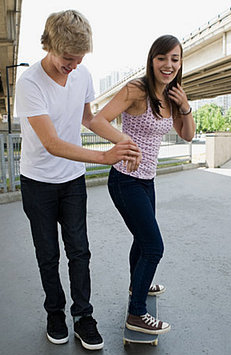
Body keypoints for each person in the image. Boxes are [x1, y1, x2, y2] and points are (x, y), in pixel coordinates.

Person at [15, 10, 141, 350]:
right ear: (49, 46)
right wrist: (104, 157)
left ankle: (84, 316)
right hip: (38, 181)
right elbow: (52, 143)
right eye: (67, 59)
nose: (72, 66)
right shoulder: (29, 83)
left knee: (79, 251)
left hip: (71, 181)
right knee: (47, 254)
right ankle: (54, 312)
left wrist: (123, 142)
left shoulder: (82, 74)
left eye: (79, 59)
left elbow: (89, 119)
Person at [90, 35, 195, 335]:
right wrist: (125, 141)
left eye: (175, 59)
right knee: (153, 246)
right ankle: (137, 314)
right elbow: (98, 121)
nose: (168, 65)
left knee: (142, 238)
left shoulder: (171, 96)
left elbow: (187, 135)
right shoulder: (137, 90)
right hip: (125, 179)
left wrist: (185, 105)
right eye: (162, 58)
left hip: (147, 180)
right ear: (152, 60)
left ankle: (139, 285)